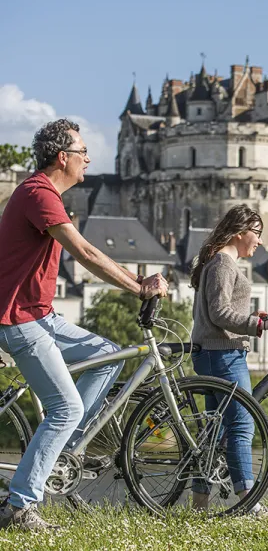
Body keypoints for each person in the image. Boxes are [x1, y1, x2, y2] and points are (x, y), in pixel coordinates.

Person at [0, 119, 168, 531]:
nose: (89, 159)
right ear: (63, 157)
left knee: (109, 355)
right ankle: (19, 507)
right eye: (83, 152)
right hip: (19, 319)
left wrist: (138, 281)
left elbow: (88, 252)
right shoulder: (39, 193)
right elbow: (86, 253)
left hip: (41, 315)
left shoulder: (45, 194)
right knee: (66, 407)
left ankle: (63, 452)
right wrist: (139, 287)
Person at [189, 204, 268, 514]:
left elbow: (219, 310)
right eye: (256, 233)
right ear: (239, 232)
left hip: (214, 352)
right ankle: (249, 501)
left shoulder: (220, 262)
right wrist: (258, 325)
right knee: (242, 425)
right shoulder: (223, 263)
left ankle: (199, 505)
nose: (259, 240)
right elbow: (219, 313)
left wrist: (255, 316)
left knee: (215, 432)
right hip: (223, 353)